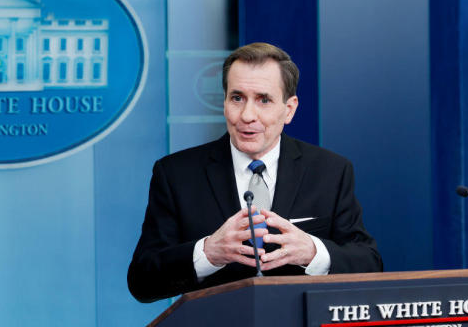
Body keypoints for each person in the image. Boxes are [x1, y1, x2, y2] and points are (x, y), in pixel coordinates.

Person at [128, 42, 382, 303]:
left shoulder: (330, 171)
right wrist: (207, 253)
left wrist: (313, 252)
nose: (247, 115)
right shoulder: (176, 174)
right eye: (237, 98)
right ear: (225, 102)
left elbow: (369, 263)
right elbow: (142, 280)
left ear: (289, 109)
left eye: (264, 100)